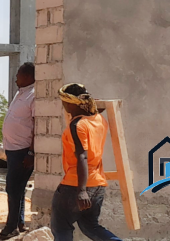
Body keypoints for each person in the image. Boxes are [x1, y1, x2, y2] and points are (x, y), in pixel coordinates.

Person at [51, 83, 123, 241]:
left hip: (75, 184)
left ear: (70, 103)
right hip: (97, 185)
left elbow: (82, 156)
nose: (63, 106)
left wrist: (81, 190)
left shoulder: (77, 125)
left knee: (61, 227)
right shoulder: (99, 120)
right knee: (90, 226)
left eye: (64, 102)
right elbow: (94, 112)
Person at [0, 62, 37, 240]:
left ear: (28, 76)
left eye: (19, 74)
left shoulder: (34, 96)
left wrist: (31, 152)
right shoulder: (21, 94)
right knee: (16, 189)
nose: (16, 78)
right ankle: (19, 223)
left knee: (13, 188)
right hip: (12, 150)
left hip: (23, 152)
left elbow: (37, 126)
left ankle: (11, 226)